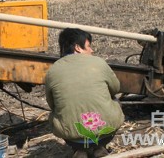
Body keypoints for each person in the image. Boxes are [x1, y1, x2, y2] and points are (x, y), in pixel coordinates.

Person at [45, 28, 124, 158]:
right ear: (77, 48)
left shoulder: (53, 70)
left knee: (56, 113)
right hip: (104, 134)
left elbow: (51, 103)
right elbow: (115, 88)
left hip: (72, 137)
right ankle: (99, 147)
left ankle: (80, 150)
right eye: (89, 46)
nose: (91, 50)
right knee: (114, 99)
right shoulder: (98, 62)